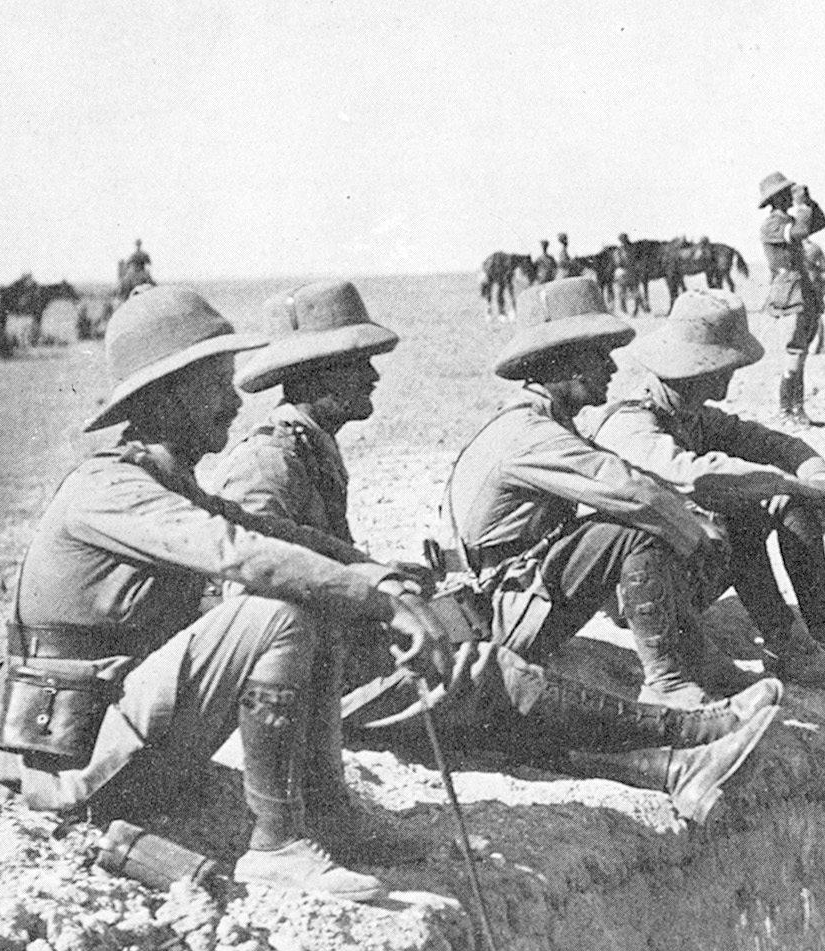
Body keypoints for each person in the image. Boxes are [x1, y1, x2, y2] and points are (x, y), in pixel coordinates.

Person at [0, 285, 464, 901]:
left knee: (313, 591)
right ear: (164, 394)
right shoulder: (107, 490)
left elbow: (271, 532)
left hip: (119, 737)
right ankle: (275, 846)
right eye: (216, 383)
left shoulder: (164, 481)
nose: (233, 400)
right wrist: (381, 603)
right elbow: (238, 553)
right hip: (68, 767)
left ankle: (328, 813)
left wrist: (374, 574)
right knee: (277, 609)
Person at [216, 281, 782, 828]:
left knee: (493, 720)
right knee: (491, 678)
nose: (372, 374)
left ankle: (673, 767)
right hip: (325, 679)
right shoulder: (268, 461)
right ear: (313, 374)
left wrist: (378, 574)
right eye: (355, 362)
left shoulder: (309, 448)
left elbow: (308, 553)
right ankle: (687, 730)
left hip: (350, 657)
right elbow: (247, 585)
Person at [586, 289, 825, 687]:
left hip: (690, 561)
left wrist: (821, 478)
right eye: (725, 366)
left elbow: (776, 444)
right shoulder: (628, 423)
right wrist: (793, 484)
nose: (729, 376)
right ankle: (785, 645)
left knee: (786, 499)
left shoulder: (691, 415)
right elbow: (695, 475)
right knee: (747, 505)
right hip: (642, 589)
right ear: (697, 367)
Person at [443, 278, 737, 710]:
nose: (612, 369)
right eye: (600, 356)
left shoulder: (542, 421)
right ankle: (666, 678)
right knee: (633, 529)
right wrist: (695, 539)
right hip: (495, 615)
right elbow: (630, 491)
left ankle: (696, 657)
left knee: (640, 521)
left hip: (504, 594)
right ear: (566, 364)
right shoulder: (530, 435)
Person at [758, 171, 825, 427]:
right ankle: (787, 410)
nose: (792, 194)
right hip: (789, 292)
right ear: (778, 197)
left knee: (801, 351)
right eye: (787, 192)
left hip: (802, 289)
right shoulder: (773, 225)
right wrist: (801, 207)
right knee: (794, 353)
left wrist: (809, 204)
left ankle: (797, 410)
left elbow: (819, 223)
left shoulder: (786, 219)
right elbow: (801, 231)